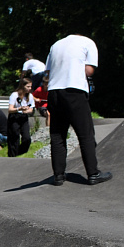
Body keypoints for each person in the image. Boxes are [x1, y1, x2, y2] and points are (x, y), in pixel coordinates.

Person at [45, 34, 110, 186]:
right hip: (74, 91)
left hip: (54, 92)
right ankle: (93, 174)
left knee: (57, 135)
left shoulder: (56, 45)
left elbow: (47, 73)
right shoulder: (88, 43)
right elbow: (89, 71)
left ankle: (59, 175)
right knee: (85, 134)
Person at [7, 77, 35, 157]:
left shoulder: (30, 96)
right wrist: (19, 108)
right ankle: (12, 155)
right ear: (23, 86)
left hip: (23, 117)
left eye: (30, 87)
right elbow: (10, 109)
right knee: (14, 137)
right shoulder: (14, 95)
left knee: (27, 138)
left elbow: (31, 109)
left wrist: (27, 110)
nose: (30, 88)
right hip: (14, 117)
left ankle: (19, 152)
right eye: (28, 86)